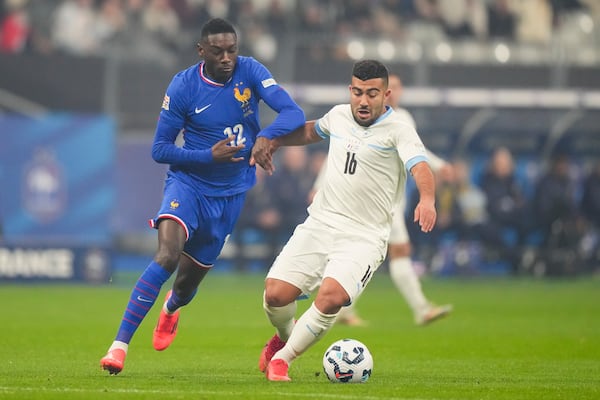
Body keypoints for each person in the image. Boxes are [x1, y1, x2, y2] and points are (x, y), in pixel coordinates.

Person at [99, 17, 305, 375]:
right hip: (188, 185)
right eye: (218, 51)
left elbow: (293, 112)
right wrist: (206, 156)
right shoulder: (183, 87)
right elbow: (160, 149)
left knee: (185, 285)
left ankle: (172, 309)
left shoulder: (251, 71)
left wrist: (265, 138)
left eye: (232, 50)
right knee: (166, 255)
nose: (227, 58)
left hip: (229, 195)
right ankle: (118, 347)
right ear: (201, 51)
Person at [251, 59, 437, 382]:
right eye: (358, 92)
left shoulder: (399, 130)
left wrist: (428, 198)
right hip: (320, 223)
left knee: (331, 296)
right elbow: (311, 131)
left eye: (372, 94)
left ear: (386, 95)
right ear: (350, 91)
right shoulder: (338, 116)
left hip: (364, 237)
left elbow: (420, 167)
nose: (363, 101)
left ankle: (283, 359)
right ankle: (284, 336)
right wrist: (276, 141)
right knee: (274, 295)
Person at [312, 72, 452, 327]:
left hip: (389, 199)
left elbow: (417, 152)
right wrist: (319, 185)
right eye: (392, 87)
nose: (395, 92)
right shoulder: (355, 117)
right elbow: (342, 154)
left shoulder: (403, 120)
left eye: (398, 87)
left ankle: (344, 307)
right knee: (389, 252)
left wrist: (439, 166)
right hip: (372, 203)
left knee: (379, 254)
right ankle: (419, 308)